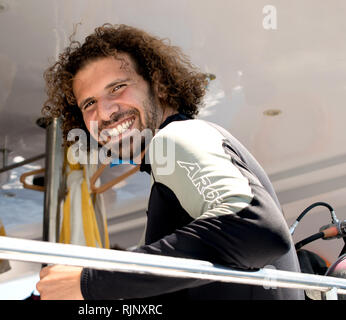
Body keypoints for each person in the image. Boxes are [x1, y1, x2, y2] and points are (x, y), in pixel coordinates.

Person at [36, 24, 304, 300]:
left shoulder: (177, 136)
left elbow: (257, 229)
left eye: (117, 87)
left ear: (160, 85)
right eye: (89, 103)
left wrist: (92, 282)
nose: (104, 112)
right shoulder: (167, 166)